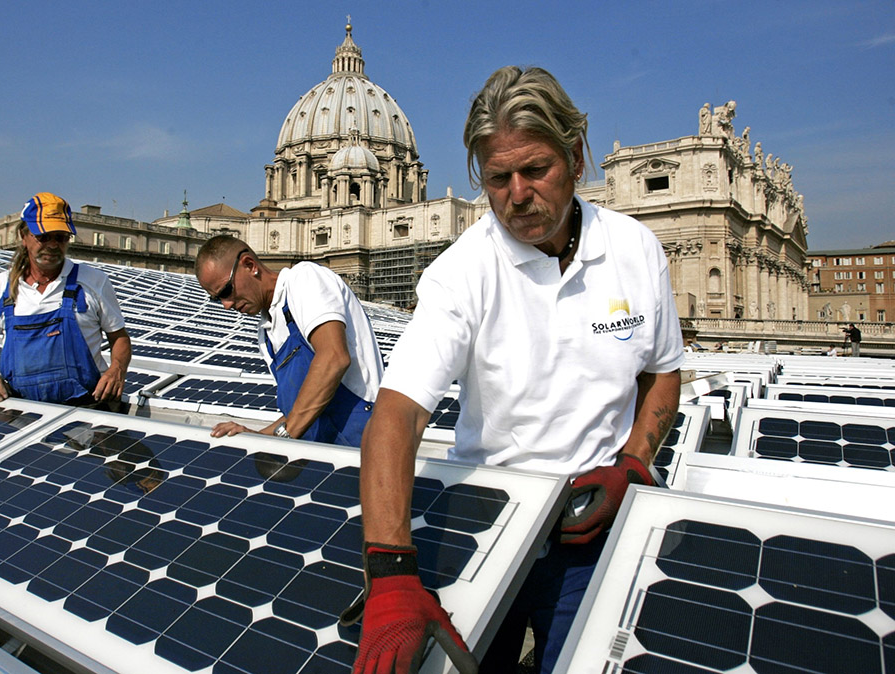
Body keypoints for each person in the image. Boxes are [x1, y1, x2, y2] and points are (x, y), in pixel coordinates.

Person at [349, 66, 683, 674]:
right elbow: (396, 414)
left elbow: (663, 372)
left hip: (596, 525)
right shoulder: (459, 273)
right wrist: (391, 572)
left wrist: (634, 462)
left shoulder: (638, 250)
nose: (517, 194)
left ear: (576, 156)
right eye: (498, 178)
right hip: (491, 527)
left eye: (536, 170)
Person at [194, 235, 384, 446]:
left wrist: (284, 437)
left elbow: (333, 358)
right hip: (325, 453)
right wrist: (257, 435)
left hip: (365, 446)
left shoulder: (304, 279)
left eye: (226, 291)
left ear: (249, 265)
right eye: (216, 299)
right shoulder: (266, 333)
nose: (226, 305)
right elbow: (302, 408)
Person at [0, 192, 132, 407]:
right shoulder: (1, 287)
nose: (53, 245)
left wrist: (116, 370)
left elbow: (119, 337)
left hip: (88, 406)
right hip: (21, 408)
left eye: (61, 237)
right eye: (43, 237)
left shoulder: (93, 281)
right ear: (24, 236)